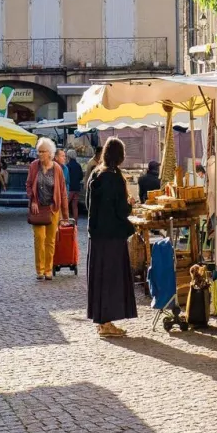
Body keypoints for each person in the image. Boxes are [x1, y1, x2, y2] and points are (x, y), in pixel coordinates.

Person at [86, 137, 138, 337]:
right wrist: (130, 203)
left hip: (97, 235)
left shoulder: (95, 174)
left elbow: (91, 206)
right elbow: (121, 210)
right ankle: (106, 323)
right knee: (111, 279)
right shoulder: (114, 177)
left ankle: (101, 321)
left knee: (99, 278)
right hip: (112, 236)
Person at [26, 137, 70, 281]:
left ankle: (48, 270)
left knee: (50, 240)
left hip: (52, 209)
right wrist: (32, 200)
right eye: (38, 151)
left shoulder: (57, 169)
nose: (39, 154)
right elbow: (28, 185)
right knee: (39, 238)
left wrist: (65, 215)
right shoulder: (34, 166)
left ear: (50, 153)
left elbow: (63, 192)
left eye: (42, 152)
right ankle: (39, 269)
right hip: (37, 209)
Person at [58, 147, 86, 216]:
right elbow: (81, 177)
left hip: (70, 189)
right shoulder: (78, 165)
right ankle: (75, 223)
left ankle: (64, 220)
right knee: (75, 206)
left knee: (65, 205)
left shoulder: (67, 166)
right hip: (77, 188)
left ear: (69, 156)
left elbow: (65, 178)